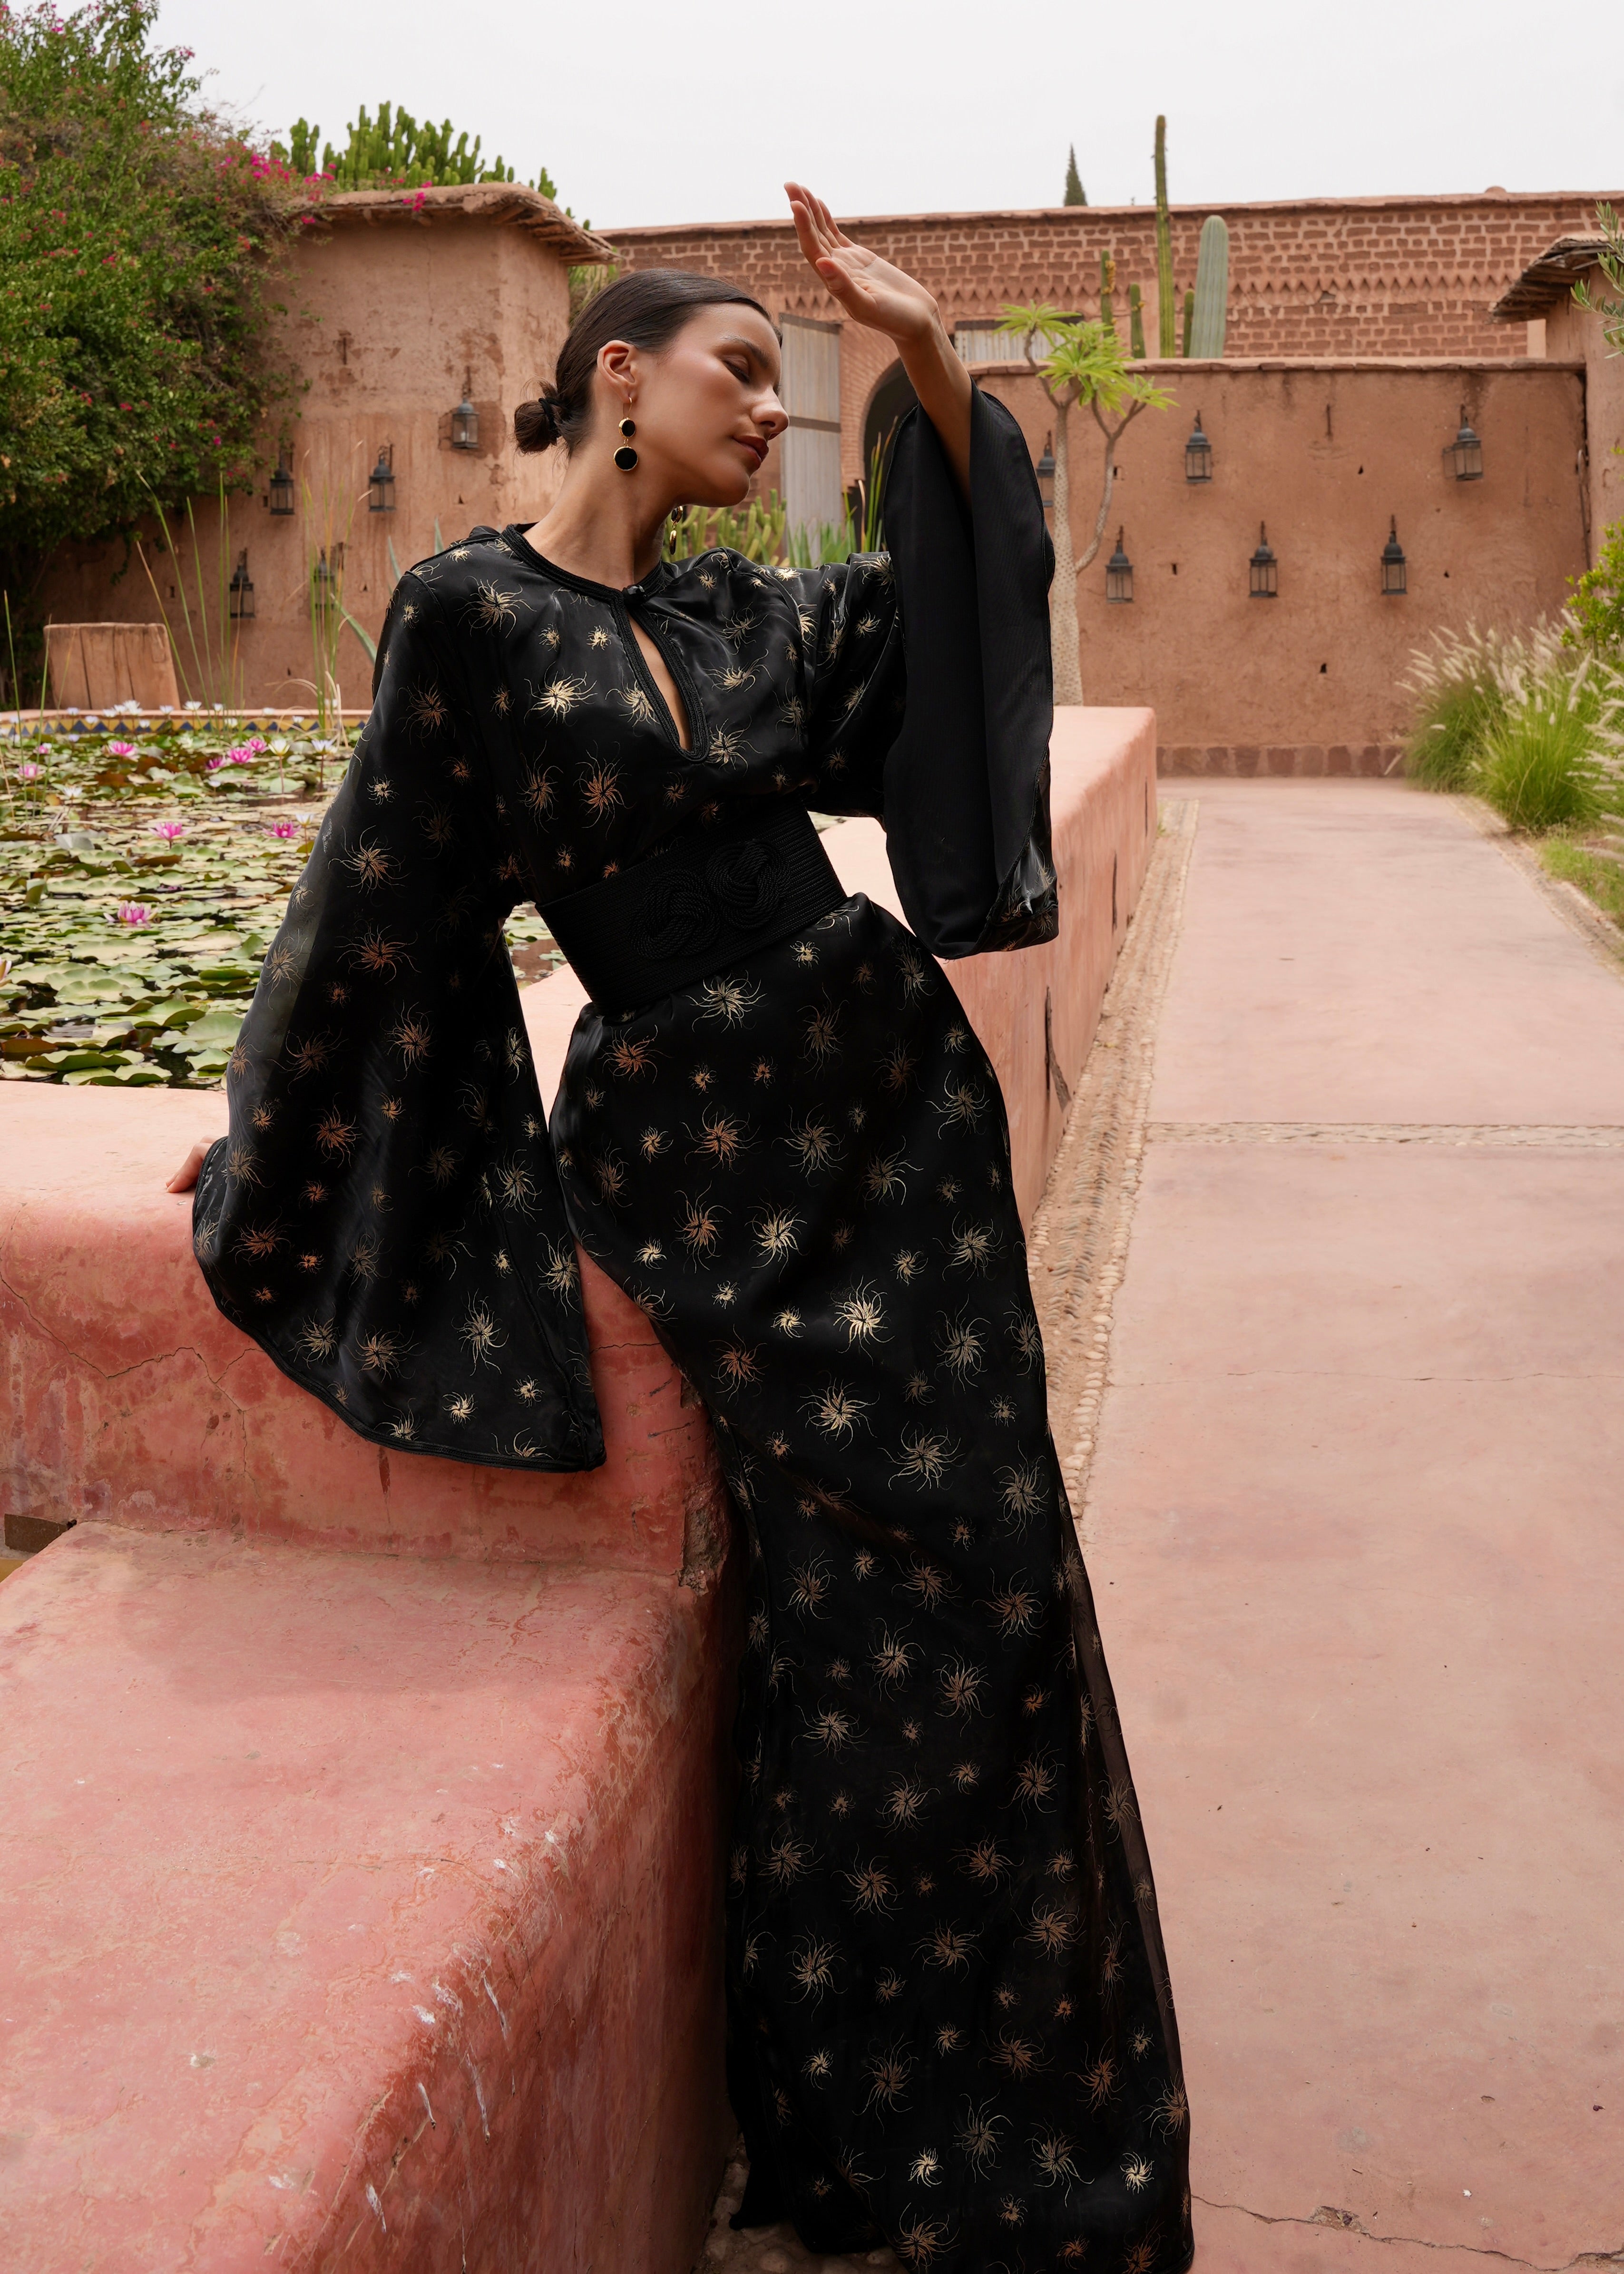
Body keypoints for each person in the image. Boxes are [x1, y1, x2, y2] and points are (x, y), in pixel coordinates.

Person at [170, 184, 1192, 2271]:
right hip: (701, 1159)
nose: (765, 408)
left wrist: (926, 366)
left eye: (779, 377)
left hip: (886, 1117)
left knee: (990, 1584)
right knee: (837, 1626)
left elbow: (944, 642)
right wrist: (263, 1112)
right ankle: (851, 2134)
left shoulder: (744, 620)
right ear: (613, 378)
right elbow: (387, 890)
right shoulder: (466, 618)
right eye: (741, 367)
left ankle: (1030, 2130)